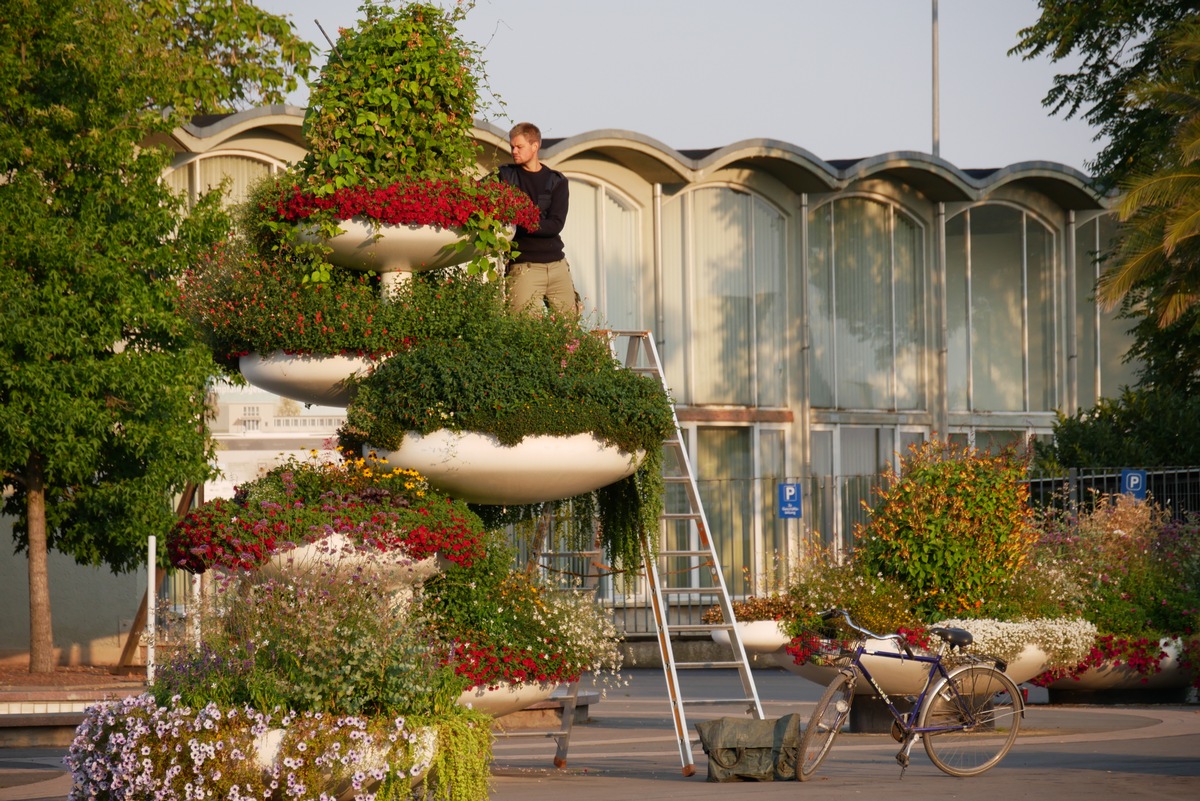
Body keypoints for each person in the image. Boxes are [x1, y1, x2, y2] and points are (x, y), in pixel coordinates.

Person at [497, 122, 578, 313]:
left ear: (535, 146)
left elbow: (555, 225)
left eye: (519, 146)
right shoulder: (504, 176)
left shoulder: (556, 181)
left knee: (568, 329)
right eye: (512, 146)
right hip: (525, 267)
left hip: (557, 265)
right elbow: (475, 193)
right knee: (524, 331)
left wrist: (522, 220)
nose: (514, 151)